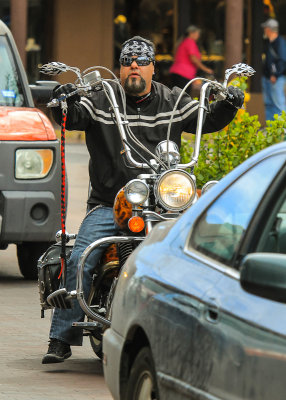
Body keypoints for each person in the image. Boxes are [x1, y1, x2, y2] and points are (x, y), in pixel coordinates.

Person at [42, 35, 244, 364]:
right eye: (126, 61)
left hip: (162, 204)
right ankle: (61, 337)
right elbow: (71, 118)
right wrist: (61, 100)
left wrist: (229, 104)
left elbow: (206, 121)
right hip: (110, 202)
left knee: (197, 254)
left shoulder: (172, 99)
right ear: (119, 69)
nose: (133, 65)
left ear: (153, 68)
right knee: (82, 256)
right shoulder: (103, 97)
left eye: (140, 60)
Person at [170, 25, 214, 92]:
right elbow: (193, 58)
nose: (198, 36)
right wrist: (205, 69)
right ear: (191, 33)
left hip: (177, 72)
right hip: (183, 74)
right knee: (183, 97)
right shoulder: (190, 42)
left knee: (177, 96)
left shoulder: (184, 42)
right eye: (197, 33)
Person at [261, 18, 286, 120]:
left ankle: (282, 131)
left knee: (278, 104)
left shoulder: (279, 42)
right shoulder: (269, 42)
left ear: (269, 29)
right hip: (267, 78)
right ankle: (271, 130)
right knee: (269, 104)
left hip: (276, 79)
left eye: (265, 28)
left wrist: (275, 74)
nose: (264, 31)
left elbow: (282, 60)